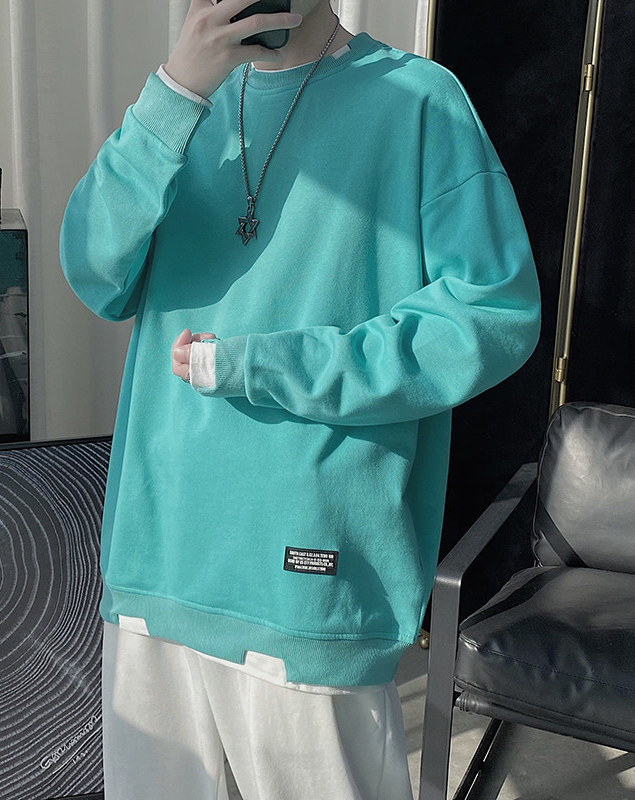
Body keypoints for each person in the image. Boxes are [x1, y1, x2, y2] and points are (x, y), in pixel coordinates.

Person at [59, 0, 542, 797]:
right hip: (159, 561)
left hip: (309, 576)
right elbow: (94, 272)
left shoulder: (418, 100)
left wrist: (273, 364)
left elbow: (492, 311)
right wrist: (174, 94)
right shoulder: (184, 108)